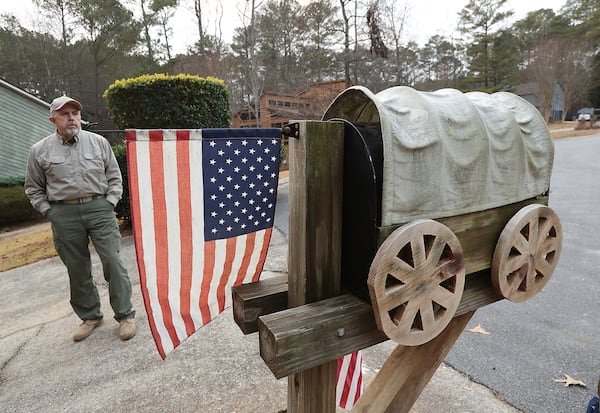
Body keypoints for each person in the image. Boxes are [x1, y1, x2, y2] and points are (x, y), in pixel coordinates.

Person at [25, 96, 136, 342]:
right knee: (77, 268)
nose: (72, 118)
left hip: (99, 208)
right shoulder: (40, 150)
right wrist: (49, 211)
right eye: (64, 114)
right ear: (53, 119)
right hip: (63, 213)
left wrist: (109, 203)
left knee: (113, 262)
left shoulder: (98, 143)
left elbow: (115, 177)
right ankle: (91, 316)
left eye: (75, 113)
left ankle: (125, 315)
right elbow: (33, 188)